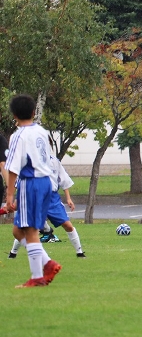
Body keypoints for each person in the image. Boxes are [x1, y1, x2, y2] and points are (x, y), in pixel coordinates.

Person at [4, 94, 62, 288]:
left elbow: (12, 167)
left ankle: (37, 277)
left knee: (30, 230)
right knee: (17, 230)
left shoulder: (18, 135)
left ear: (14, 114)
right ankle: (48, 263)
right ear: (33, 111)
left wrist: (10, 194)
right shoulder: (42, 132)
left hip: (31, 182)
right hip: (46, 182)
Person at [9, 142, 86, 259]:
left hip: (52, 199)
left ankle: (80, 252)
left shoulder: (54, 162)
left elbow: (63, 180)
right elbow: (20, 183)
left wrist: (69, 199)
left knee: (68, 225)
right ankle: (13, 253)